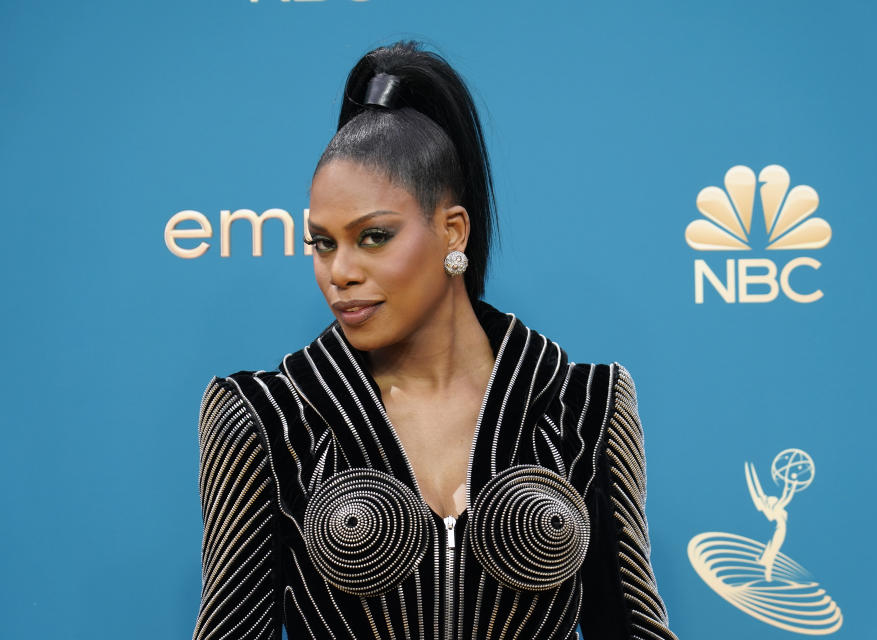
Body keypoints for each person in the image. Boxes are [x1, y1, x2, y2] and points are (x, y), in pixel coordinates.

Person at [192, 39, 678, 640]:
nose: (339, 271)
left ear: (452, 232)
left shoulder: (584, 405)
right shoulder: (269, 418)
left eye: (373, 237)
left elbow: (630, 626)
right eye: (322, 242)